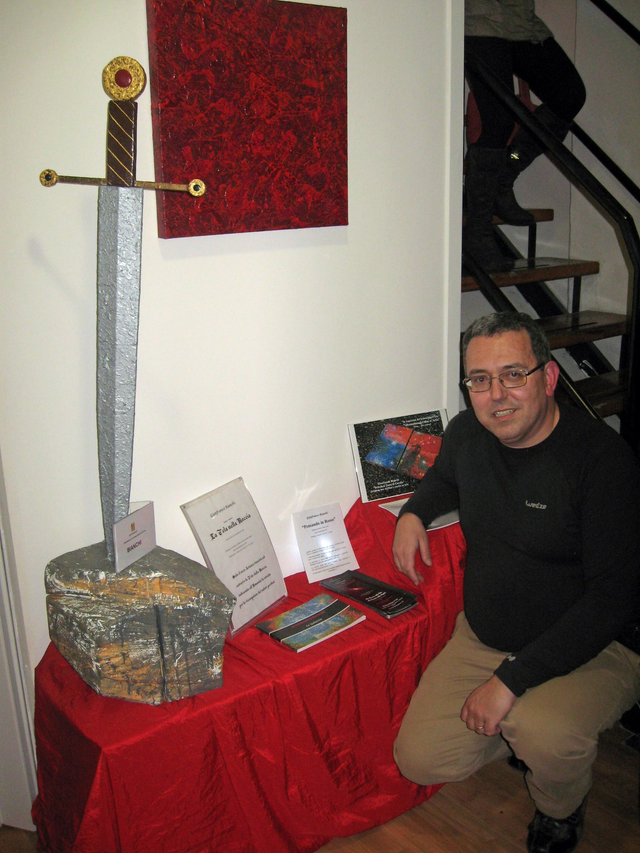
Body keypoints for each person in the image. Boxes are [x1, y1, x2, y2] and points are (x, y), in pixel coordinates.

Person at [392, 312, 640, 853]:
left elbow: (612, 600)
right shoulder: (467, 433)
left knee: (544, 732)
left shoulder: (602, 461)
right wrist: (413, 513)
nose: (496, 395)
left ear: (548, 377)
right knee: (420, 759)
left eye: (513, 374)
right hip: (487, 638)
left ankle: (560, 806)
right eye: (479, 379)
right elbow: (444, 478)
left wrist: (510, 681)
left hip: (593, 646)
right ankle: (523, 731)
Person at [463, 1, 587, 271]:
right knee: (499, 121)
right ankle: (477, 233)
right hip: (480, 18)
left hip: (521, 21)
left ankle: (505, 174)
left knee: (569, 96)